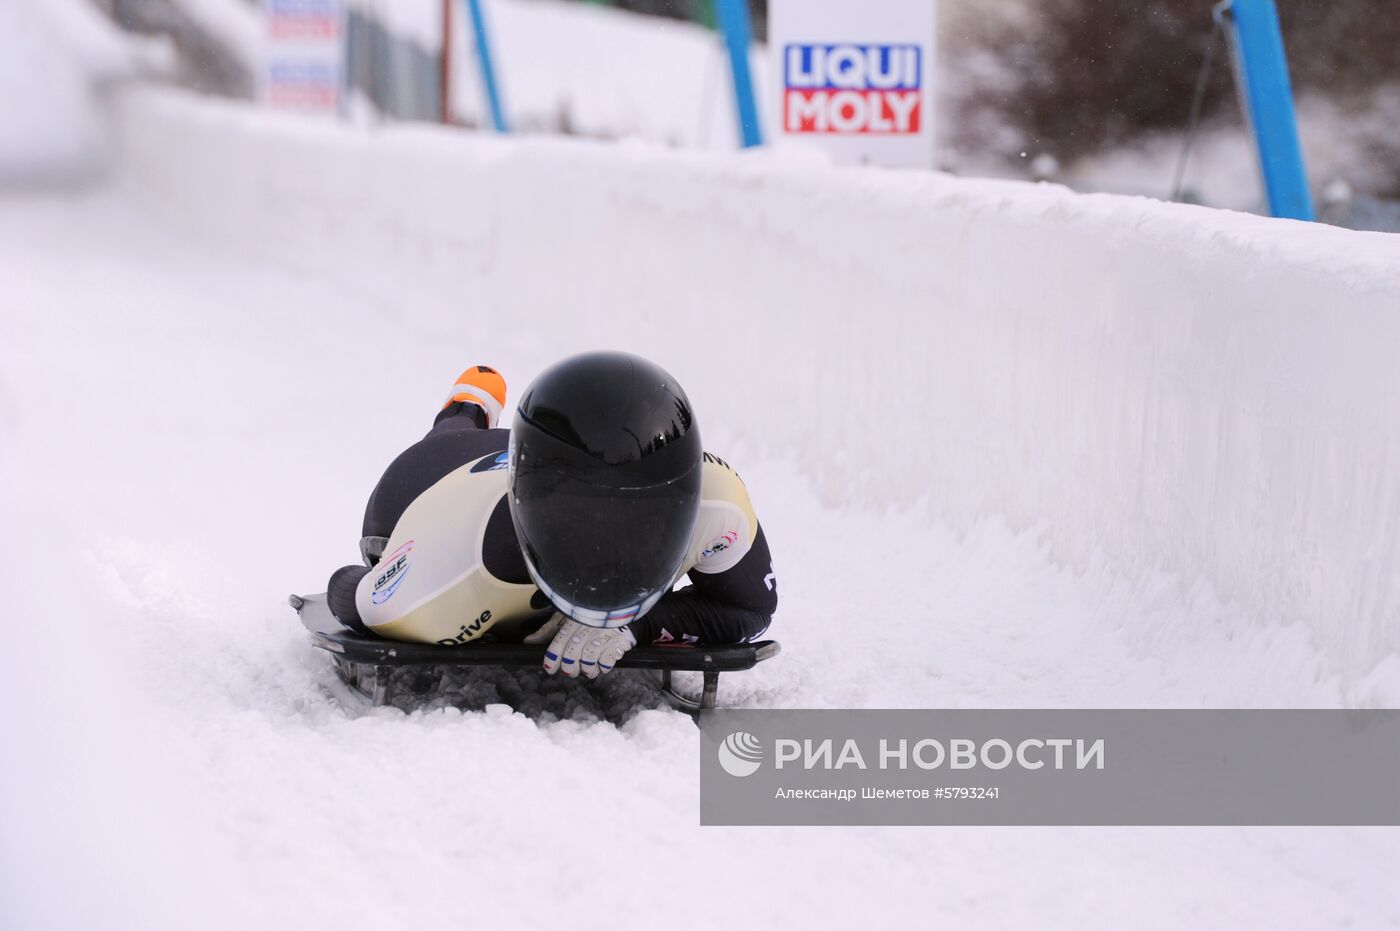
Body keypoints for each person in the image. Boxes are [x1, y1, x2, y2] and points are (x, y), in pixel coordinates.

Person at [326, 351, 777, 678]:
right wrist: (384, 577)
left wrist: (643, 624)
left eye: (643, 511)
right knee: (450, 436)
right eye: (587, 518)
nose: (610, 549)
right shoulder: (442, 572)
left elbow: (751, 607)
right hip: (427, 480)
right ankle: (466, 406)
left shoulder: (720, 502)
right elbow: (349, 594)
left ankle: (475, 408)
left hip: (531, 463)